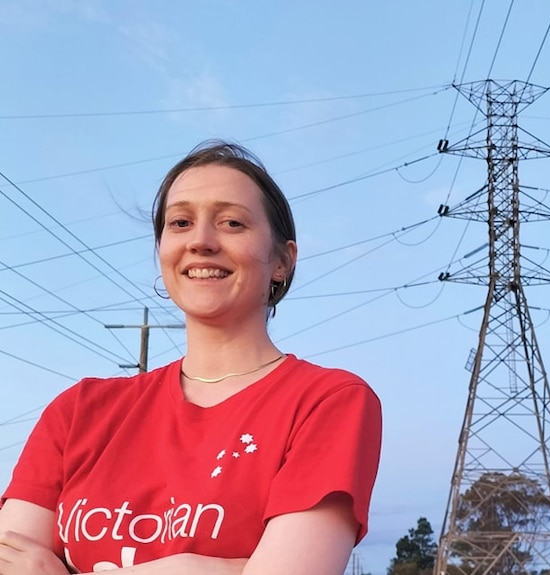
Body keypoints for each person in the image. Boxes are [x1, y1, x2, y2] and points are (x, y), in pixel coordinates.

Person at [0, 141, 383, 575]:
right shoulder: (79, 411)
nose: (201, 241)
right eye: (180, 222)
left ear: (282, 260)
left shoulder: (327, 402)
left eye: (232, 223)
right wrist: (222, 568)